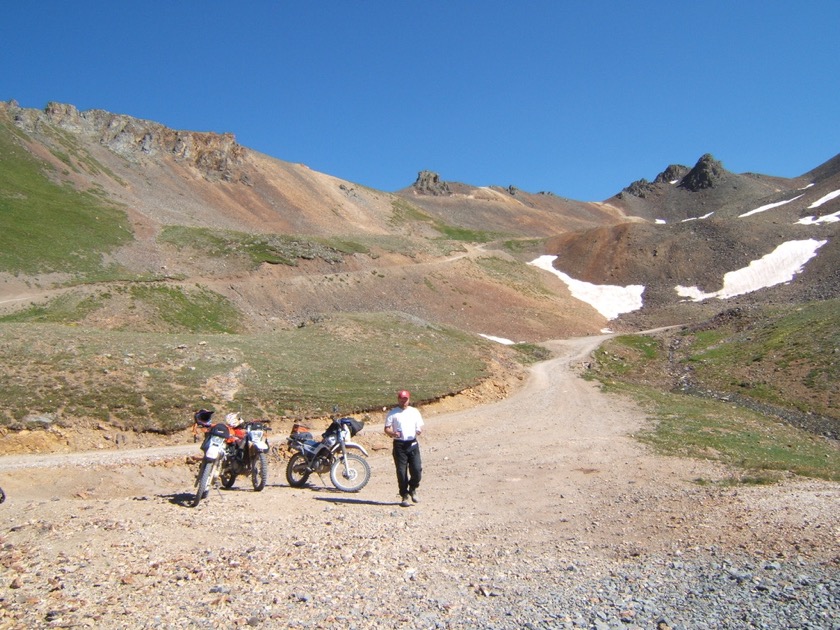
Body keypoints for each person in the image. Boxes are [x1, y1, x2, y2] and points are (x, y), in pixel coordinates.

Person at [384, 389, 424, 507]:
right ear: (398, 400)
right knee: (401, 472)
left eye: (405, 399)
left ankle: (413, 488)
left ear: (409, 399)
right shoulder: (393, 413)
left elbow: (420, 426)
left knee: (417, 469)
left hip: (412, 443)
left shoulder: (414, 412)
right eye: (401, 399)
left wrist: (419, 430)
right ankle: (404, 495)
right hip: (399, 445)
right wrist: (392, 433)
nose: (403, 402)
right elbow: (387, 428)